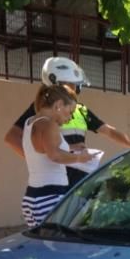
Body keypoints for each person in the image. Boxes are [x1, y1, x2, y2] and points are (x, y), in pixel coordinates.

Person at [5, 57, 130, 186]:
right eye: (72, 84)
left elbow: (108, 131)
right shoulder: (42, 108)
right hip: (57, 182)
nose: (75, 89)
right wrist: (42, 161)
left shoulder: (81, 110)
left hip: (81, 181)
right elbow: (12, 137)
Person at [20, 84, 94, 227]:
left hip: (32, 198)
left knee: (41, 246)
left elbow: (42, 149)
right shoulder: (50, 124)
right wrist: (80, 158)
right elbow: (54, 155)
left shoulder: (30, 122)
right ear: (59, 105)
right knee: (58, 246)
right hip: (51, 196)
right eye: (70, 111)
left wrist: (71, 148)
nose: (71, 117)